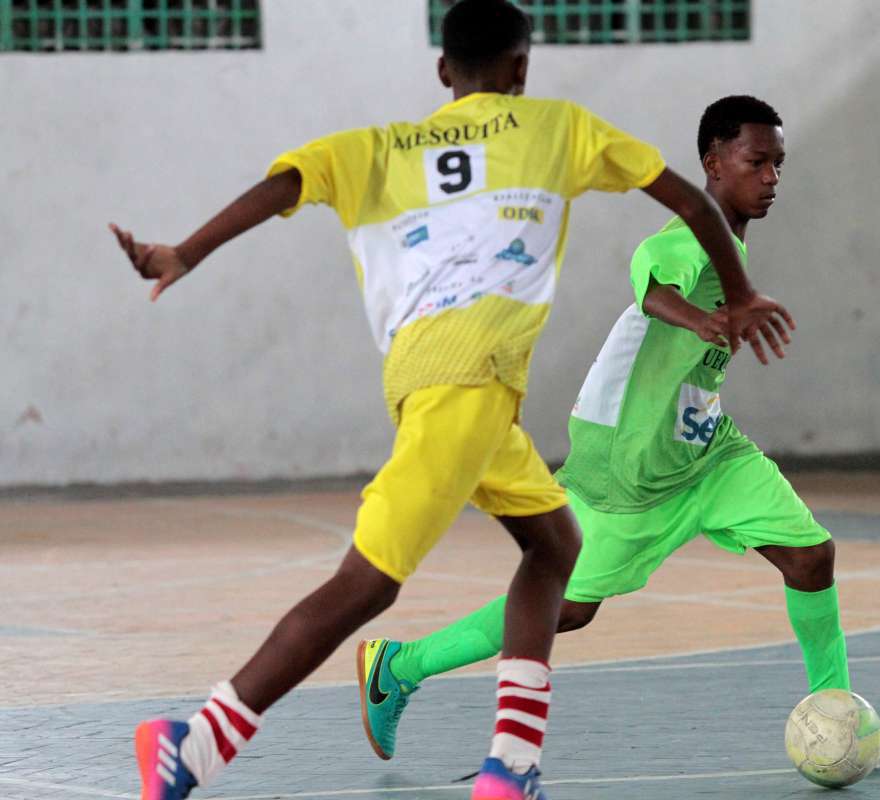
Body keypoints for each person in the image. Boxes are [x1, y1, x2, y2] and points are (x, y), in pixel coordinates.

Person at [110, 2, 794, 799]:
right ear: (521, 71)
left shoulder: (376, 148)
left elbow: (282, 185)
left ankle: (513, 765)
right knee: (367, 585)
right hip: (463, 391)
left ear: (443, 73)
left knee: (556, 550)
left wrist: (185, 251)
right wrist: (739, 290)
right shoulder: (555, 128)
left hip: (451, 392)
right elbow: (689, 201)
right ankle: (193, 744)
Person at [357, 95, 880, 767]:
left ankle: (839, 716)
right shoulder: (686, 240)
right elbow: (650, 284)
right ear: (713, 163)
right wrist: (701, 318)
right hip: (626, 458)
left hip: (704, 449)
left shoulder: (731, 248)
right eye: (756, 162)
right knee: (567, 608)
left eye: (778, 164)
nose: (771, 177)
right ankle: (400, 665)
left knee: (809, 556)